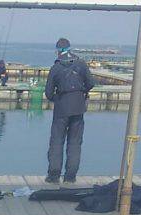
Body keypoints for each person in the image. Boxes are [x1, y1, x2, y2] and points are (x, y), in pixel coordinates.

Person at [44, 38, 95, 184]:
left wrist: (57, 98)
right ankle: (70, 176)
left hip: (61, 109)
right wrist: (80, 93)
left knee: (56, 142)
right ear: (70, 48)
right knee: (75, 143)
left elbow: (48, 93)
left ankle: (53, 176)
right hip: (78, 108)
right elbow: (91, 83)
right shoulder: (81, 64)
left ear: (57, 51)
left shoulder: (56, 68)